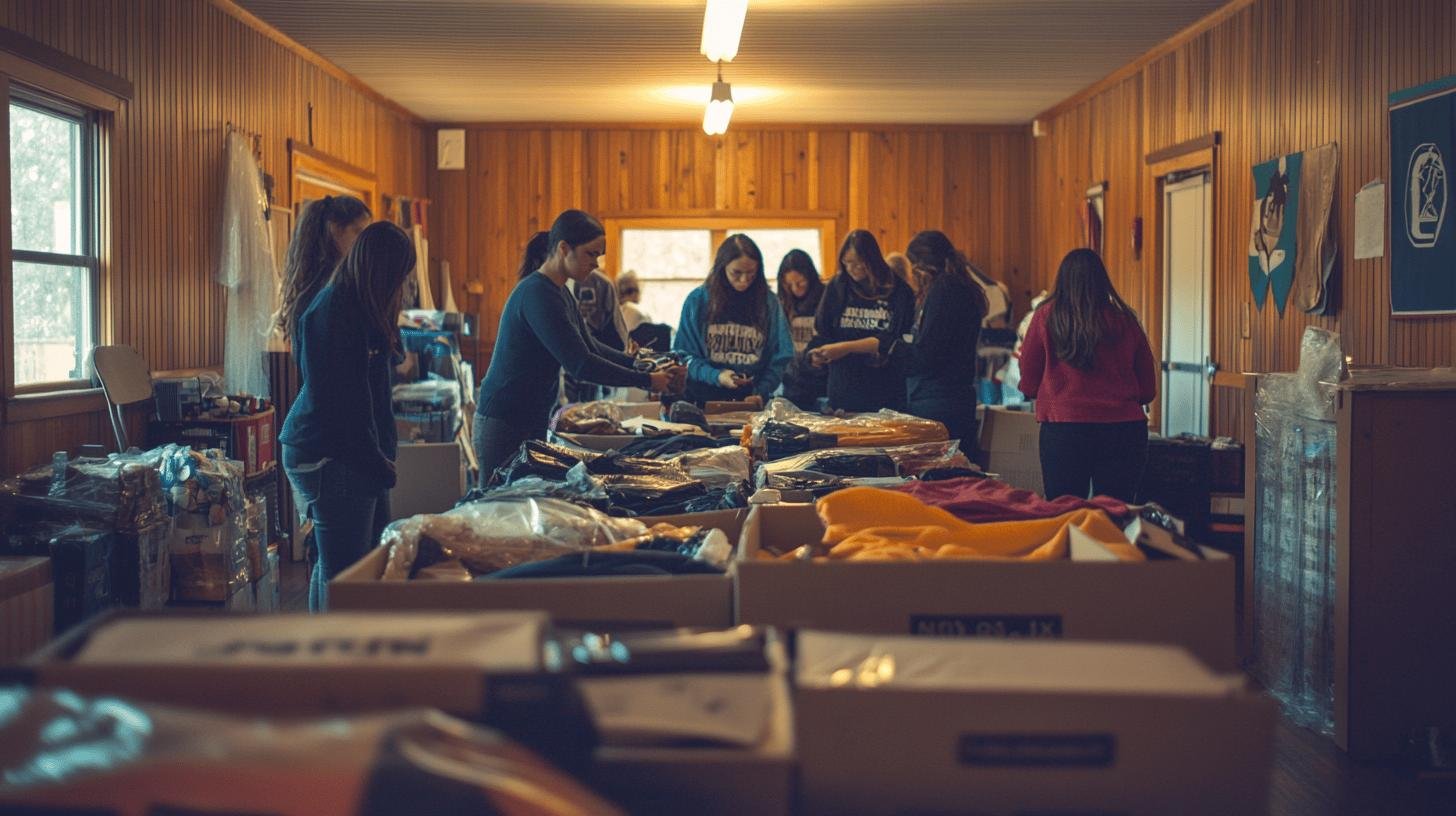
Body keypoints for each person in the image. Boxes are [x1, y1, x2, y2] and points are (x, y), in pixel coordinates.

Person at [474, 209, 682, 478]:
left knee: (526, 502)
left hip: (531, 416)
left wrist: (641, 364)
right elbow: (581, 364)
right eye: (591, 254)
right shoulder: (537, 293)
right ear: (564, 249)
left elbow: (592, 346)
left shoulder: (560, 292)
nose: (596, 263)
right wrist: (647, 380)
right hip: (504, 421)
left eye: (599, 255)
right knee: (498, 509)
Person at [280, 221, 416, 612]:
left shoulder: (363, 307)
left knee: (352, 562)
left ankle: (332, 655)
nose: (402, 289)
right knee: (347, 574)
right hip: (326, 451)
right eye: (399, 279)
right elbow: (342, 408)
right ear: (381, 272)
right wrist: (378, 462)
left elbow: (375, 389)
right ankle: (334, 660)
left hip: (347, 450)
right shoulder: (333, 312)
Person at [1017, 248, 1156, 502]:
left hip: (1064, 429)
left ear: (1062, 280)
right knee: (1116, 515)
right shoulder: (1125, 320)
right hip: (1123, 431)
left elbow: (1028, 381)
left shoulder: (1045, 318)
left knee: (1064, 513)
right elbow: (1148, 389)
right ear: (1102, 280)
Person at [674, 234, 793, 405]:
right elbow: (684, 356)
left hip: (750, 397)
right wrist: (718, 376)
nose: (744, 280)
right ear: (722, 268)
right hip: (702, 397)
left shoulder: (769, 302)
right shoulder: (698, 300)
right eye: (736, 273)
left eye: (751, 273)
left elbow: (780, 357)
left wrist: (762, 390)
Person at [809, 230, 916, 412]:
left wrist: (844, 348)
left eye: (858, 263)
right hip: (843, 390)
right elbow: (823, 332)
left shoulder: (898, 290)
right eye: (847, 262)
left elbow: (891, 341)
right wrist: (815, 355)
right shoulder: (838, 286)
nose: (852, 269)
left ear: (872, 260)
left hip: (884, 389)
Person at [904, 230, 988, 444]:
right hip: (956, 395)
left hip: (938, 397)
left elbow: (929, 351)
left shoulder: (943, 290)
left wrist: (896, 352)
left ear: (922, 265)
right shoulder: (963, 286)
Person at [274, 194, 371, 347]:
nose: (365, 241)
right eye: (358, 232)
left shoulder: (315, 287)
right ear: (335, 229)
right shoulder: (331, 293)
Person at [776, 249, 828, 411]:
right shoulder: (782, 303)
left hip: (823, 378)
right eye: (789, 284)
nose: (795, 289)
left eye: (800, 282)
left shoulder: (826, 297)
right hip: (794, 381)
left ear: (810, 277)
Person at [616, 269, 650, 334]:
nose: (634, 295)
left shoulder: (643, 313)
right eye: (629, 291)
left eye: (636, 290)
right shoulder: (630, 311)